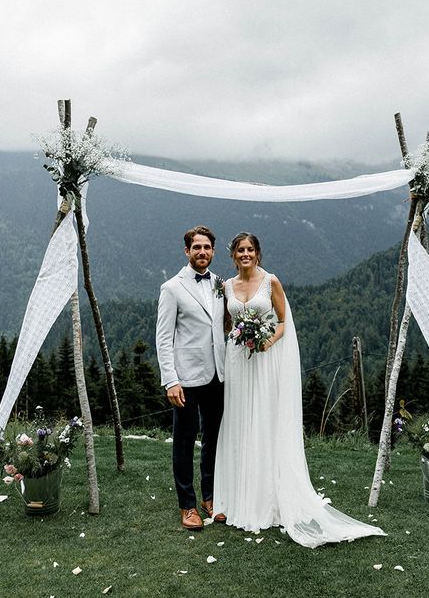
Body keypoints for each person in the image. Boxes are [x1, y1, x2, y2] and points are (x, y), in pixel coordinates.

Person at [213, 232, 386, 548]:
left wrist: (268, 340)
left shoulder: (271, 282)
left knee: (264, 423)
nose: (245, 254)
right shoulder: (227, 286)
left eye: (250, 249)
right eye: (240, 250)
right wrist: (238, 338)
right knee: (240, 424)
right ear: (233, 255)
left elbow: (283, 322)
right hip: (239, 362)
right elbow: (228, 322)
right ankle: (240, 497)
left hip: (265, 361)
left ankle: (267, 497)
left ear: (258, 253)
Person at [156, 225, 227, 530]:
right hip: (185, 377)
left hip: (219, 375)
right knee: (184, 441)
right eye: (196, 247)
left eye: (207, 247)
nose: (202, 252)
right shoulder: (172, 288)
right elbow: (163, 337)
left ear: (213, 251)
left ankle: (211, 496)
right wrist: (170, 379)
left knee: (215, 438)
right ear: (186, 251)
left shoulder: (221, 285)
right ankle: (187, 505)